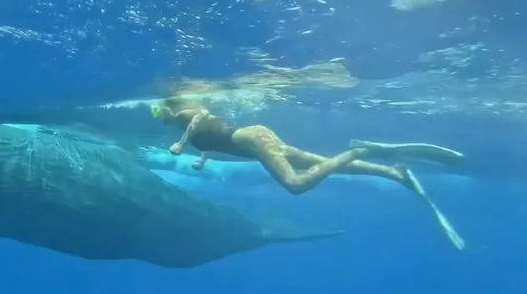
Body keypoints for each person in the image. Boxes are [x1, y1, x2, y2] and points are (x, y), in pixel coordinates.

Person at [150, 97, 466, 249]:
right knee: (315, 162)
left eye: (158, 113)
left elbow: (203, 117)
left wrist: (181, 142)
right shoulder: (183, 125)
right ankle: (392, 171)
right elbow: (215, 136)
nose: (159, 118)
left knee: (295, 184)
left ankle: (359, 151)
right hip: (254, 141)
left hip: (253, 141)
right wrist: (202, 160)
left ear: (166, 108)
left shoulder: (183, 114)